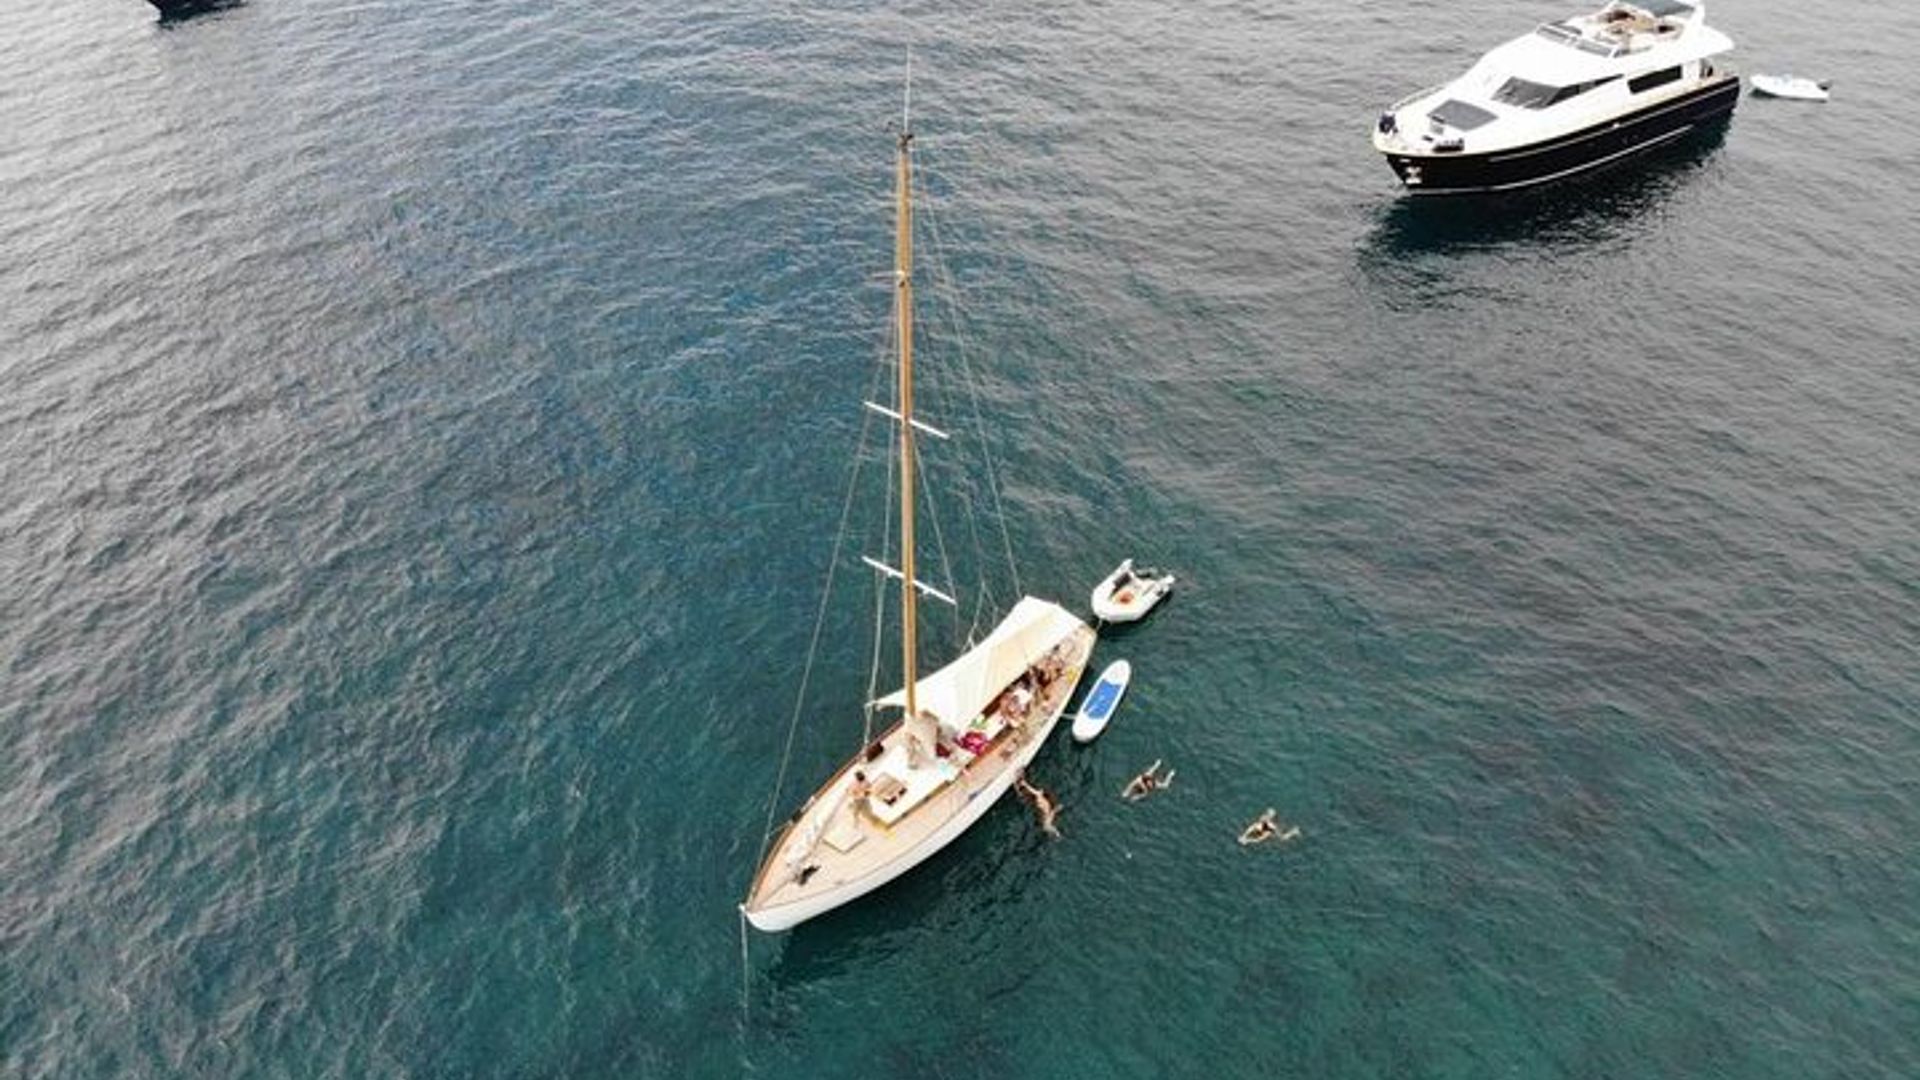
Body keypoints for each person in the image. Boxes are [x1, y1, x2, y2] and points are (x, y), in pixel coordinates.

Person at [1014, 772, 1061, 839]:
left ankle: (1023, 783)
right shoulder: (1049, 819)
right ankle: (1023, 783)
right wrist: (1056, 809)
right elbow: (1052, 813)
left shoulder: (1048, 821)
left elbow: (1048, 824)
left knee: (1037, 794)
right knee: (1037, 794)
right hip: (1043, 806)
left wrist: (1056, 833)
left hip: (1042, 806)